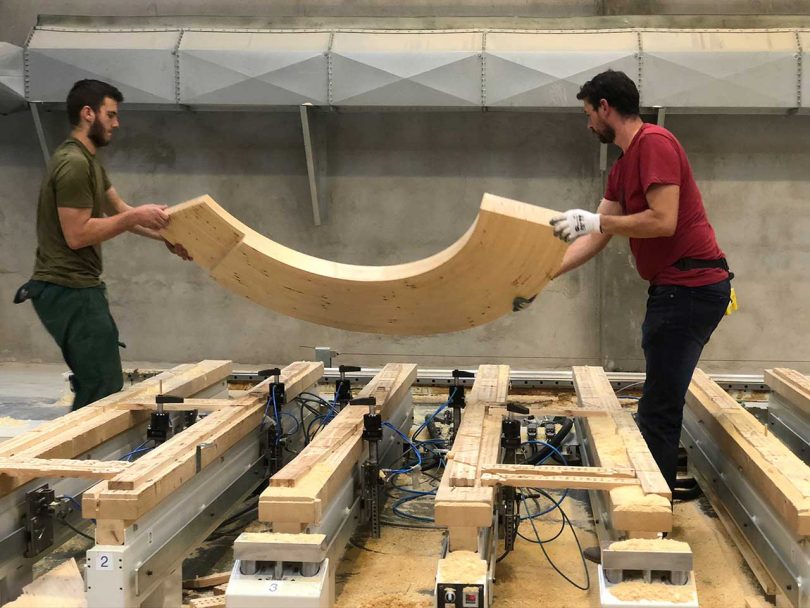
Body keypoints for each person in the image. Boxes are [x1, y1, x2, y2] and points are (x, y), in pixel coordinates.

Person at [550, 70, 732, 493]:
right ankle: (661, 489)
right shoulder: (624, 164)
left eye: (588, 113)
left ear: (605, 108)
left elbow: (662, 221)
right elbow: (597, 234)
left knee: (657, 408)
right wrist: (544, 273)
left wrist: (597, 219)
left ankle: (653, 515)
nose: (588, 123)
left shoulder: (654, 143)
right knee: (659, 400)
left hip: (689, 287)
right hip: (676, 288)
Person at [14, 79, 191, 410]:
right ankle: (77, 457)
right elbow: (77, 234)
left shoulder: (90, 161)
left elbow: (121, 211)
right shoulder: (74, 164)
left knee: (100, 379)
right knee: (101, 385)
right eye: (110, 115)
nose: (116, 123)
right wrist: (135, 216)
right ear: (87, 114)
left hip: (81, 289)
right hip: (66, 289)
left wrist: (165, 237)